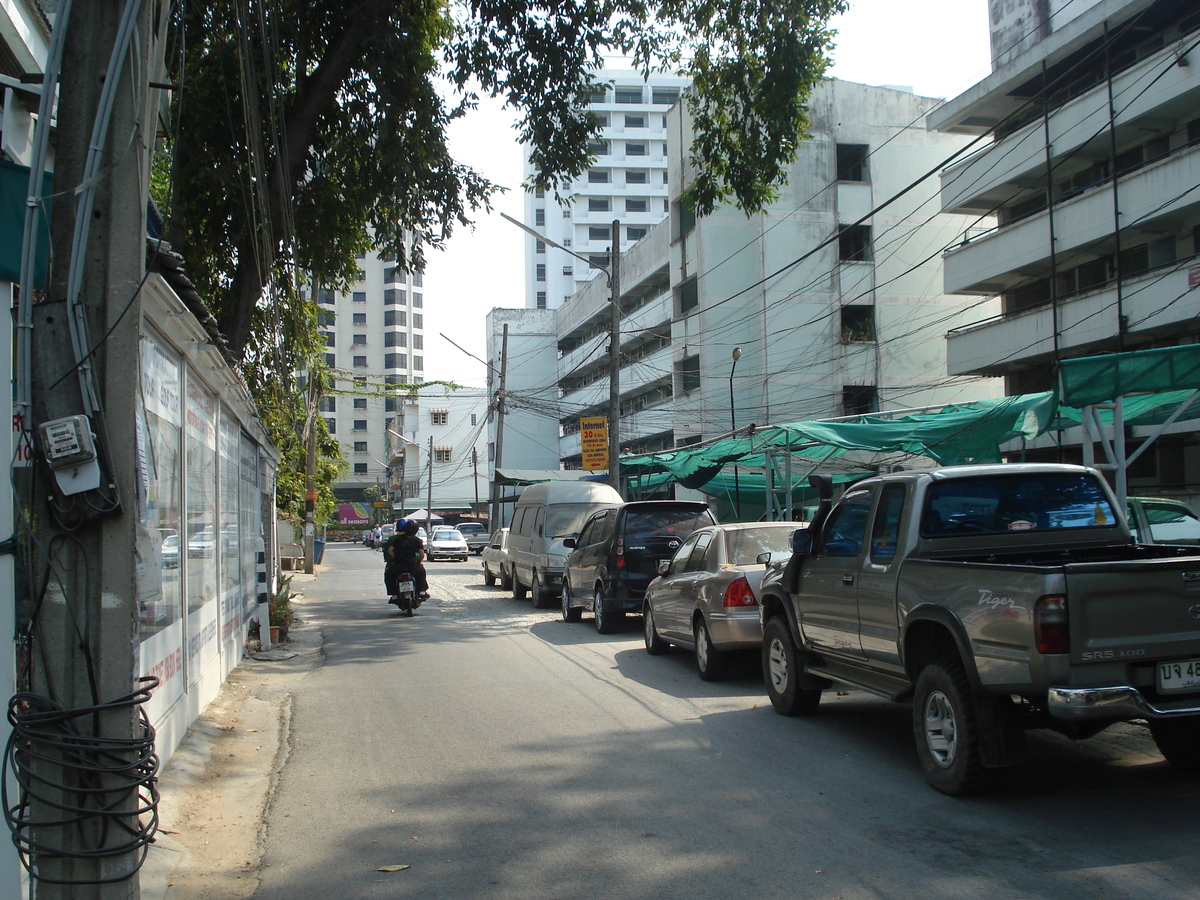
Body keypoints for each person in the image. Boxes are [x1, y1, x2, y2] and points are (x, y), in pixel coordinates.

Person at [384, 519, 429, 599]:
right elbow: (422, 554)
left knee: (388, 574)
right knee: (421, 572)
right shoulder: (417, 540)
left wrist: (396, 559)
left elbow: (390, 551)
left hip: (398, 566)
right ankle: (422, 591)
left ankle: (394, 594)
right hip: (412, 565)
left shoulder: (397, 539)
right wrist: (418, 562)